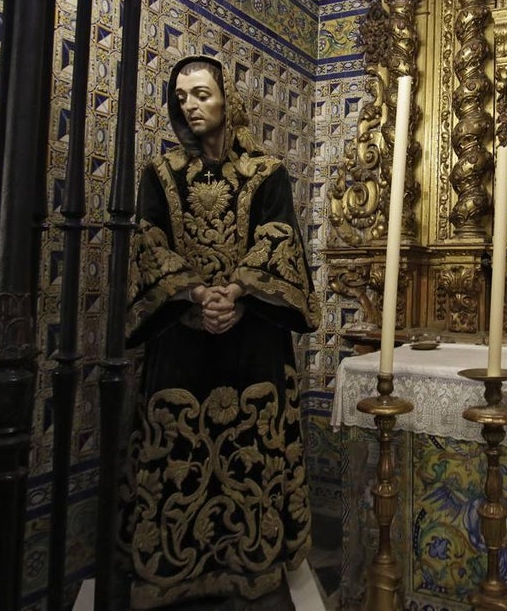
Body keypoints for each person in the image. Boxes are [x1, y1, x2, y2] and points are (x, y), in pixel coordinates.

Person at [121, 54, 320, 610]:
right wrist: (193, 294)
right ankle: (173, 563)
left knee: (251, 448)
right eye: (182, 96)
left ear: (228, 99)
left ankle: (250, 556)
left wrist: (235, 292)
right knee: (176, 445)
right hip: (183, 337)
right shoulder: (159, 174)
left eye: (203, 93)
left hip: (250, 336)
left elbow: (278, 236)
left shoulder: (267, 171)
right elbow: (148, 241)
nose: (192, 105)